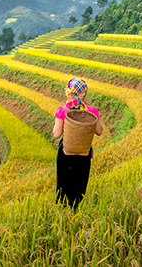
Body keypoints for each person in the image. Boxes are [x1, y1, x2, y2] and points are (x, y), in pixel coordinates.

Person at [52, 77, 102, 209]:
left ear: (69, 92)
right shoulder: (91, 110)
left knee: (63, 184)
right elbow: (99, 131)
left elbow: (57, 134)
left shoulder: (63, 110)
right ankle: (76, 212)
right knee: (79, 184)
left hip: (66, 152)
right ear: (84, 93)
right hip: (84, 153)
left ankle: (63, 214)